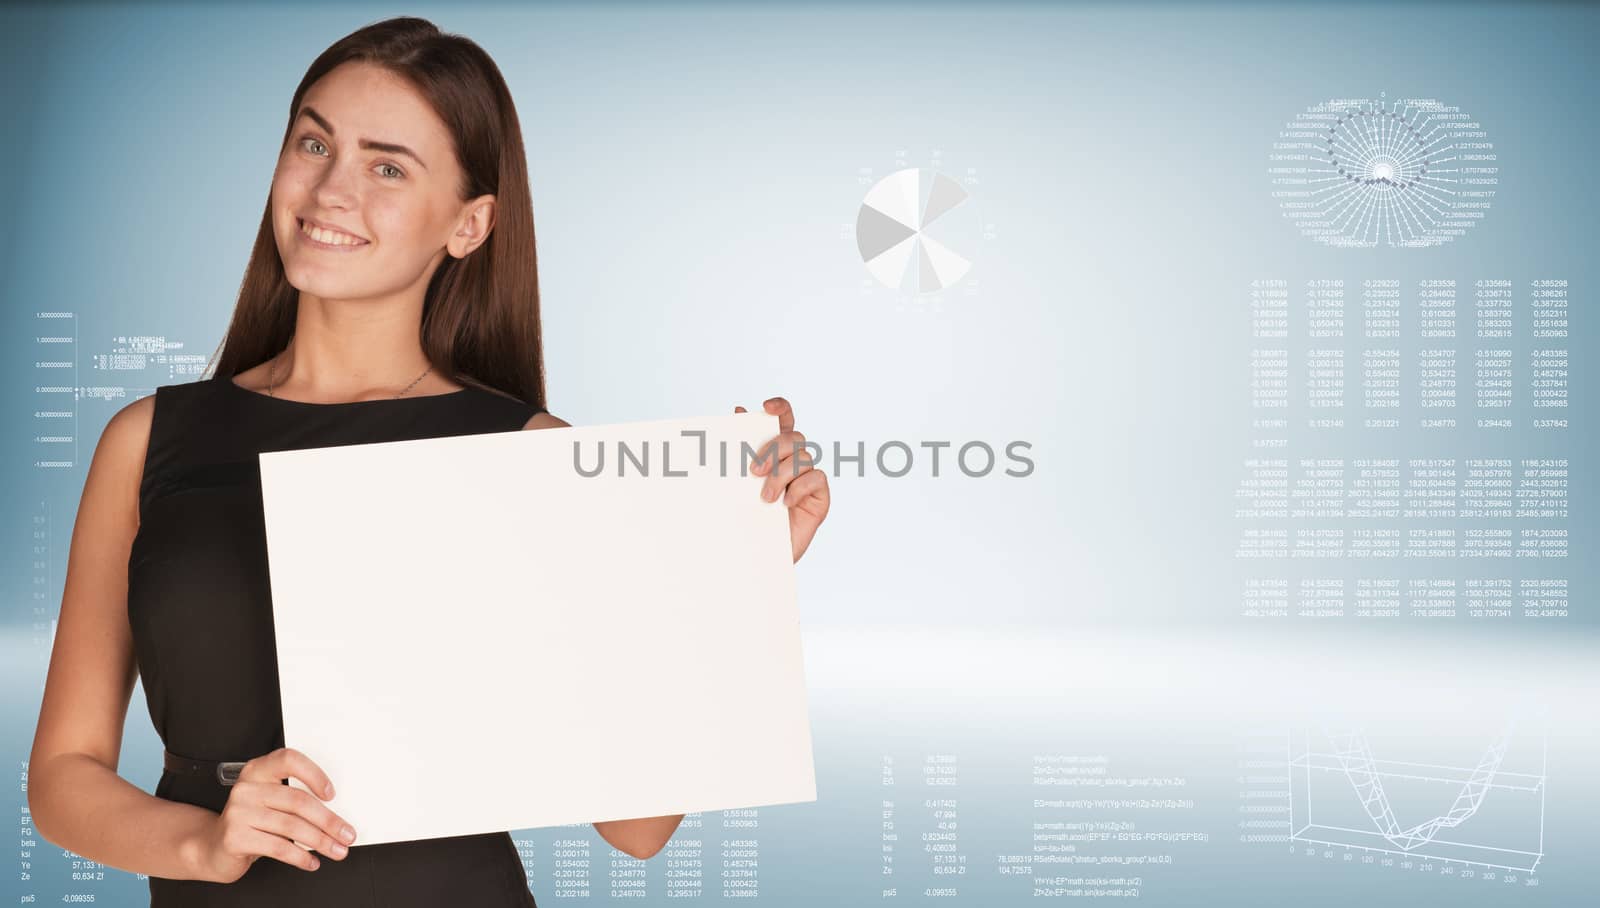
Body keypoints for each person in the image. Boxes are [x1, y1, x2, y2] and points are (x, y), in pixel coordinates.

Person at [26, 16, 830, 907]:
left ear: (470, 223)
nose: (332, 188)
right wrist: (204, 842)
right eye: (313, 141)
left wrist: (738, 577)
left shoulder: (528, 454)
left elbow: (635, 829)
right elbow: (64, 774)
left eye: (387, 166)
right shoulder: (148, 440)